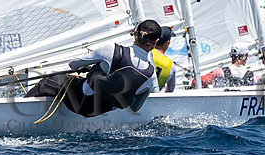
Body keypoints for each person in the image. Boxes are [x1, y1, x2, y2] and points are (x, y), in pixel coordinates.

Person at [27, 19, 161, 117]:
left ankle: (24, 103)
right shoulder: (151, 75)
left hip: (79, 100)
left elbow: (73, 64)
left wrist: (92, 67)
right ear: (156, 42)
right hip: (98, 112)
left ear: (135, 33)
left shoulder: (111, 50)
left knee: (53, 80)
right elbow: (135, 107)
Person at [150, 26, 177, 93]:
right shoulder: (171, 66)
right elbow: (170, 90)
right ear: (167, 43)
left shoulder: (146, 53)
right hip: (152, 100)